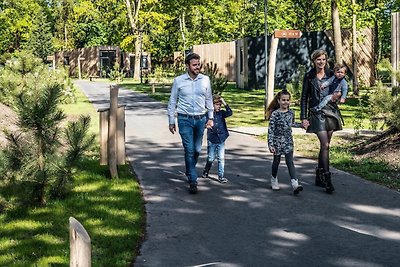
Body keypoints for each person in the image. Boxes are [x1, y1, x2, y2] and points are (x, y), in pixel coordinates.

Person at [167, 53, 214, 194]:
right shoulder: (179, 81)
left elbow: (209, 100)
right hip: (184, 119)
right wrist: (171, 121)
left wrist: (210, 117)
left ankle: (189, 170)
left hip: (200, 119)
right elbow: (172, 102)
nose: (197, 67)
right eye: (194, 65)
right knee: (189, 149)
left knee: (198, 149)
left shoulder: (205, 80)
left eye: (198, 64)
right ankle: (193, 180)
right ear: (187, 66)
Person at [300, 49, 343, 194]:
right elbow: (304, 97)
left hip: (331, 111)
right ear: (314, 61)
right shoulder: (309, 76)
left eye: (323, 59)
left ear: (326, 61)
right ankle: (327, 179)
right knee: (324, 143)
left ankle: (319, 174)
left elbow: (341, 86)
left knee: (325, 146)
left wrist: (340, 95)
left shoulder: (332, 74)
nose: (321, 62)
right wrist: (303, 117)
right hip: (316, 113)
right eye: (318, 59)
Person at [266, 90, 303, 195]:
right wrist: (270, 144)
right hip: (277, 142)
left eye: (287, 100)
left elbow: (292, 124)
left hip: (288, 141)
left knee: (290, 162)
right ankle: (273, 179)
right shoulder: (275, 114)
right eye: (283, 100)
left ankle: (295, 184)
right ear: (278, 101)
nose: (285, 102)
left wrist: (301, 125)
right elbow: (271, 130)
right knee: (276, 162)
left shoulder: (291, 112)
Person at [201, 94, 233, 183]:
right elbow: (202, 125)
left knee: (221, 158)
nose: (218, 106)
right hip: (212, 139)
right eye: (216, 104)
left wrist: (224, 102)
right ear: (212, 105)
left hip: (221, 139)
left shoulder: (222, 113)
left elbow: (230, 112)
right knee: (211, 158)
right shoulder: (208, 115)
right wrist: (206, 126)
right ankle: (206, 170)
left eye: (220, 104)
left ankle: (221, 176)